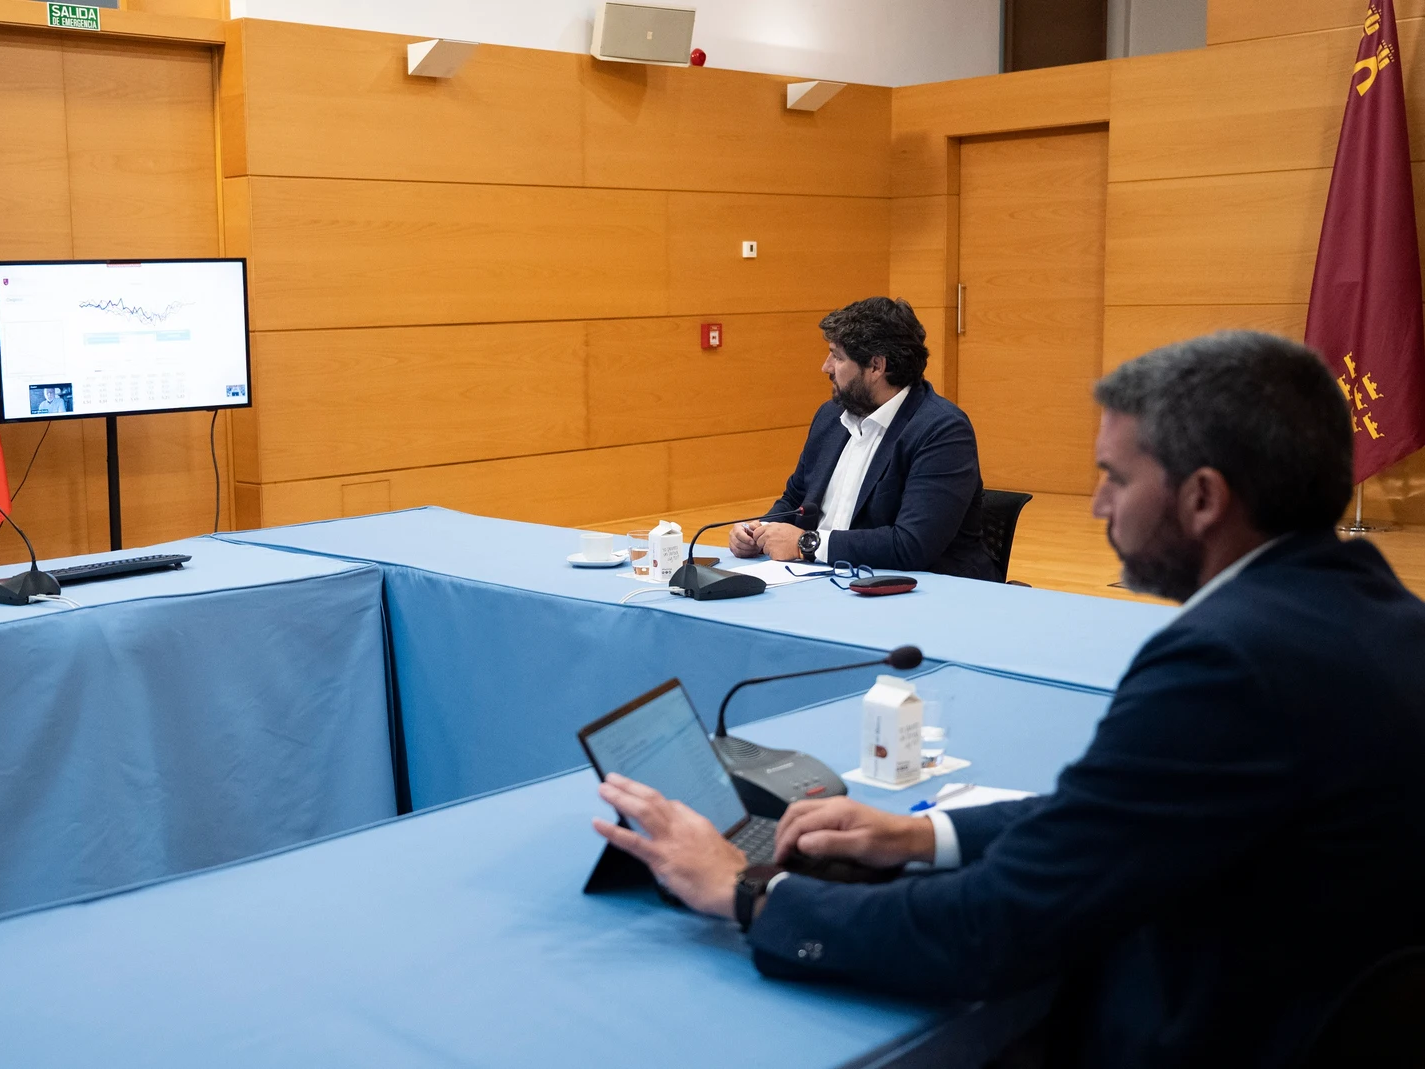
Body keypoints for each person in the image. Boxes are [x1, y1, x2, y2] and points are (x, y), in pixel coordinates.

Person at [595, 331, 1425, 1068]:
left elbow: (990, 929)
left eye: (1114, 477)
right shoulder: (1373, 611)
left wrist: (747, 890)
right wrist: (924, 833)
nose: (1097, 505)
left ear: (1203, 497)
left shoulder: (1228, 666)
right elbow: (1117, 818)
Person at [730, 297, 997, 580]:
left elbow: (912, 545)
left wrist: (806, 543)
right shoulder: (831, 417)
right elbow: (796, 499)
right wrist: (759, 531)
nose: (826, 367)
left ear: (876, 367)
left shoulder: (941, 430)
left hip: (915, 594)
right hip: (822, 581)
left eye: (838, 356)